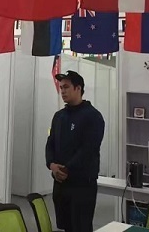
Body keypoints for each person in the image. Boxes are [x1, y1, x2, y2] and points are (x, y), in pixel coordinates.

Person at [46, 70, 105, 232]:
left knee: (81, 227)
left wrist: (66, 169)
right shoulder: (59, 116)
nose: (62, 91)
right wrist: (51, 165)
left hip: (82, 186)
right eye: (61, 87)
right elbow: (50, 143)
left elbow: (88, 149)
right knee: (65, 227)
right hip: (60, 185)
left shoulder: (93, 116)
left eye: (66, 87)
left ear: (78, 88)